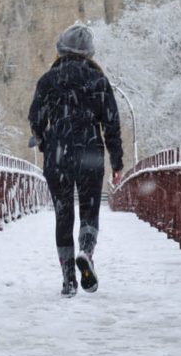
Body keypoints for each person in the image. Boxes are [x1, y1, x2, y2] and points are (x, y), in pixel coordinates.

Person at [28, 23, 123, 297]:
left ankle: (69, 277)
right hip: (90, 154)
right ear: (89, 52)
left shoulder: (49, 79)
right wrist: (116, 162)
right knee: (89, 211)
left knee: (63, 214)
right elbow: (112, 125)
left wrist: (45, 142)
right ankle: (86, 252)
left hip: (58, 156)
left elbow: (36, 119)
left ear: (61, 47)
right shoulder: (98, 80)